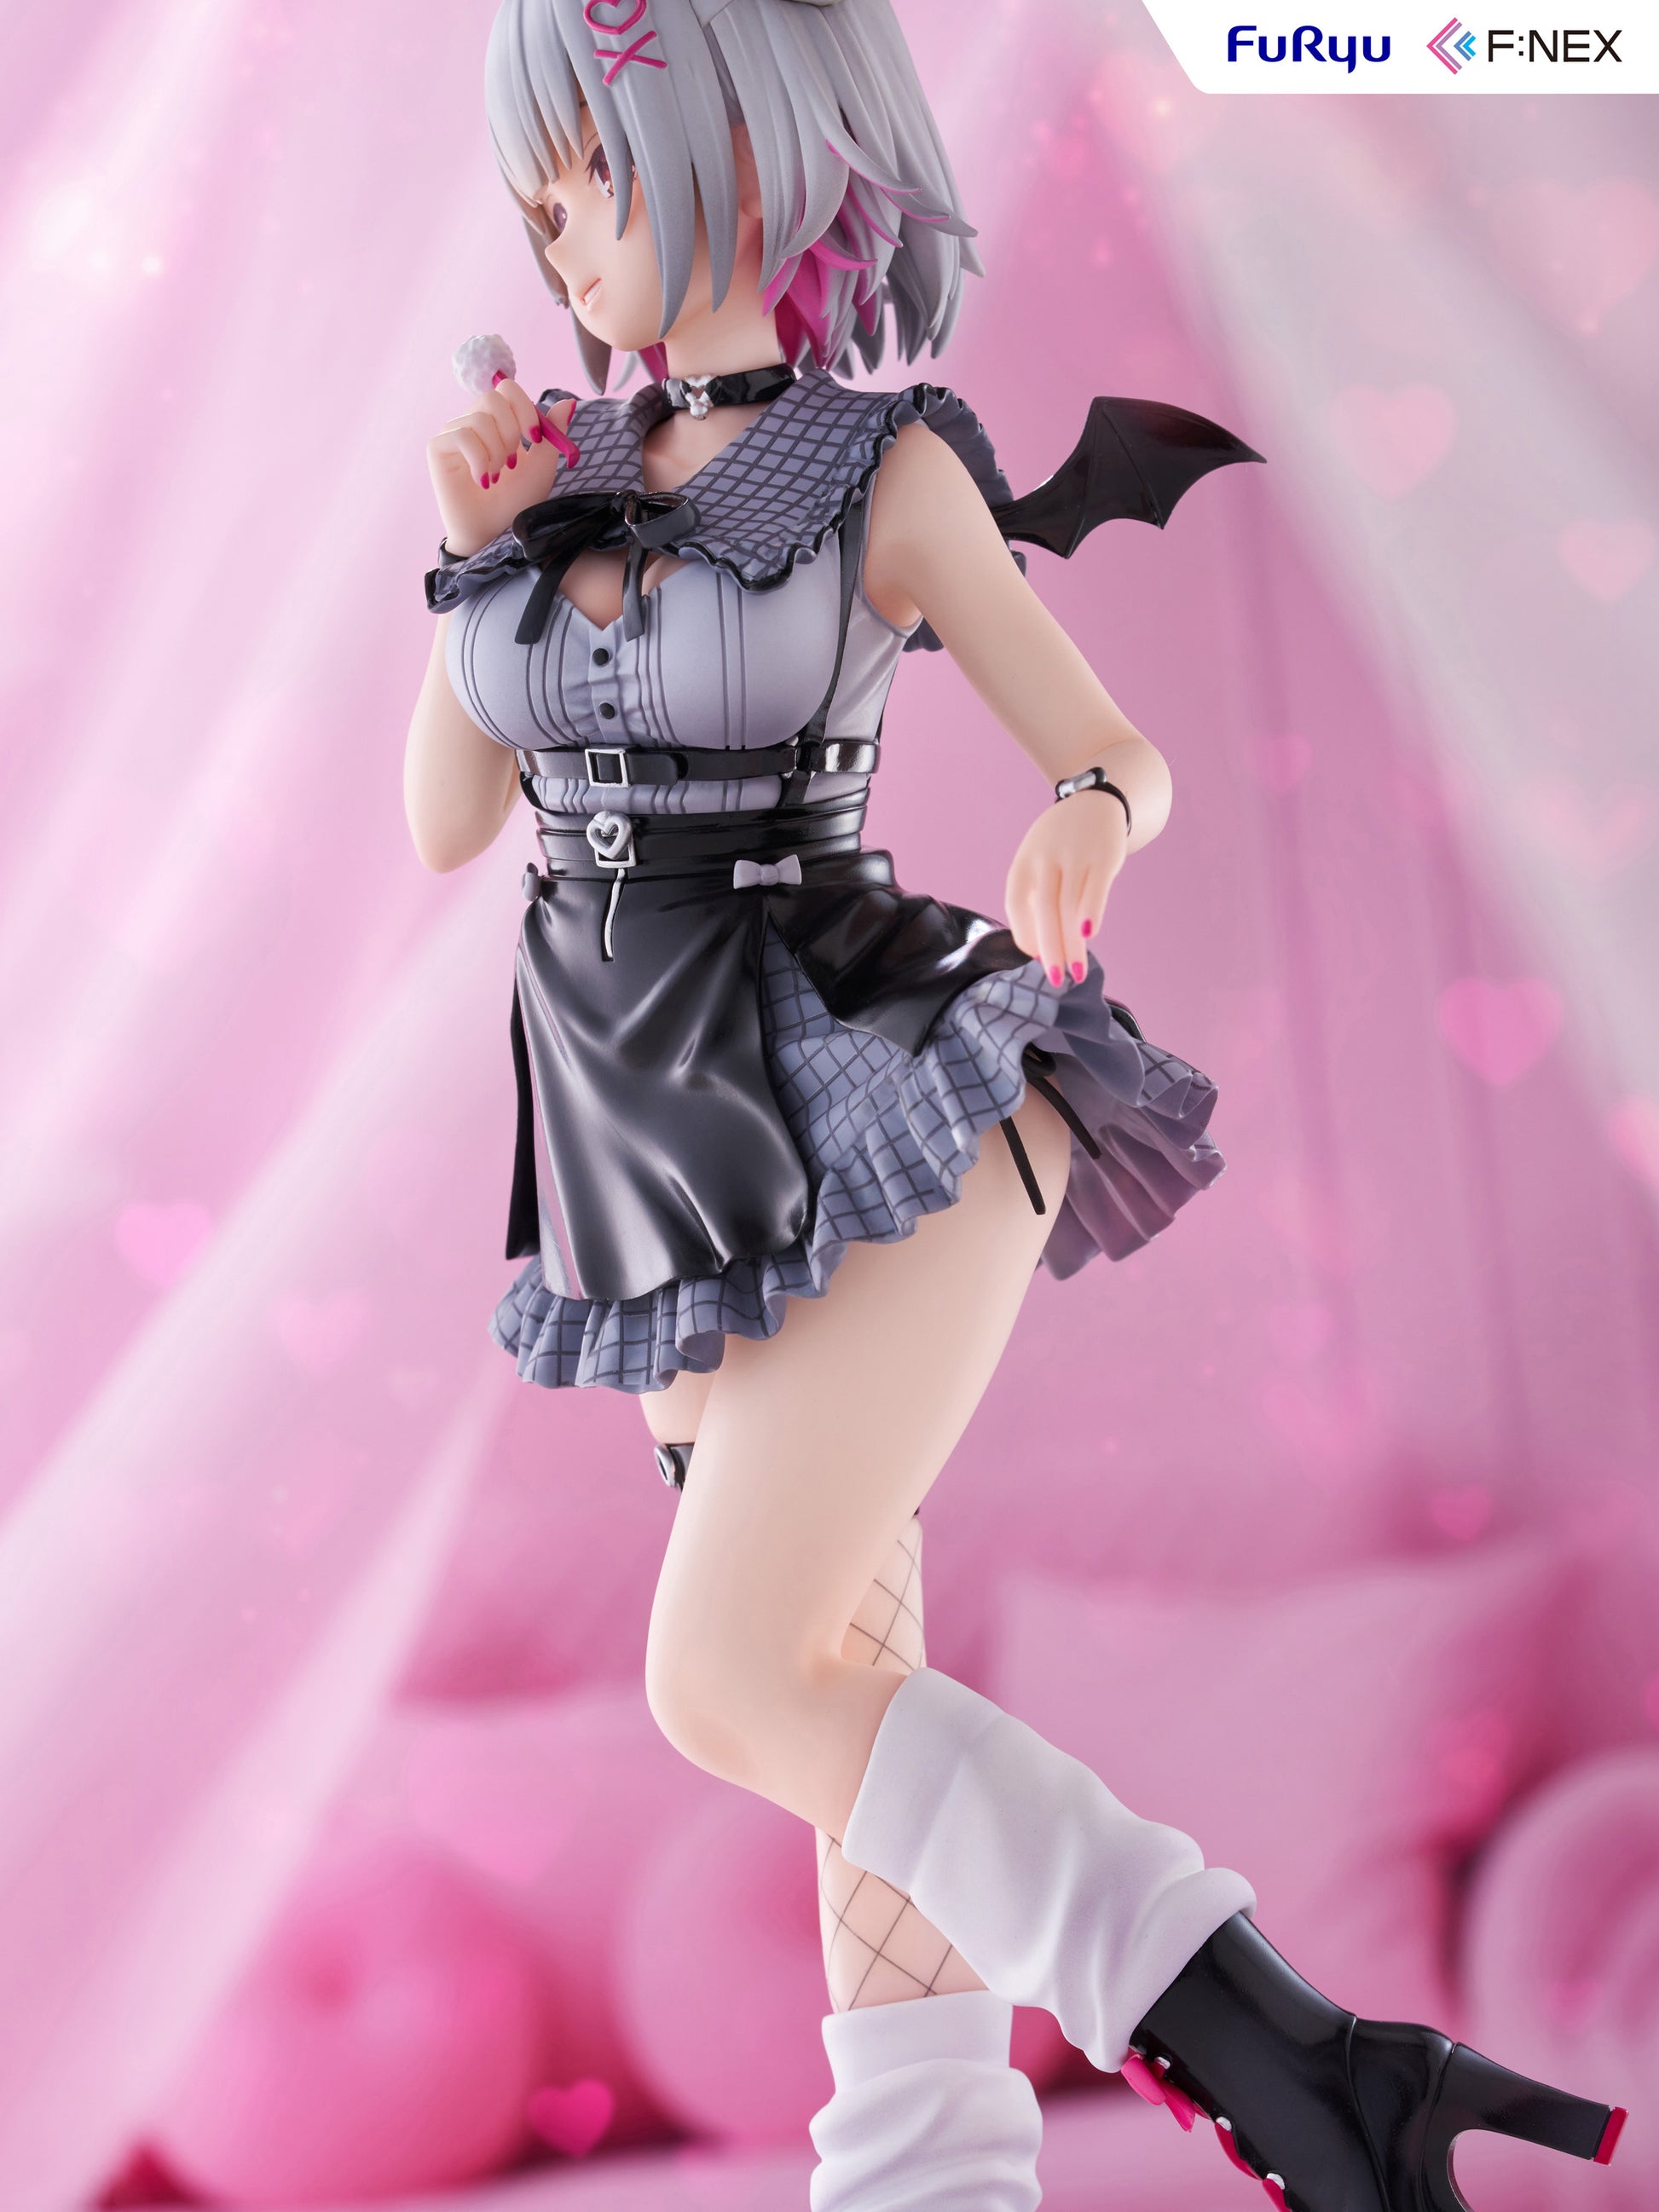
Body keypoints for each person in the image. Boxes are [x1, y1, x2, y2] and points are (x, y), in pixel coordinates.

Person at [403, 3, 1627, 2203]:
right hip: (638, 1136)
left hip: (868, 1067)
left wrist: (1084, 818)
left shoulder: (876, 468)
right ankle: (941, 2170)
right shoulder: (558, 479)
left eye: (586, 167)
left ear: (738, 146)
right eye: (535, 191)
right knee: (840, 1666)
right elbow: (444, 820)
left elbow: (1111, 746)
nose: (556, 233)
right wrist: (477, 547)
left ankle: (1309, 2059)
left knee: (727, 1674)